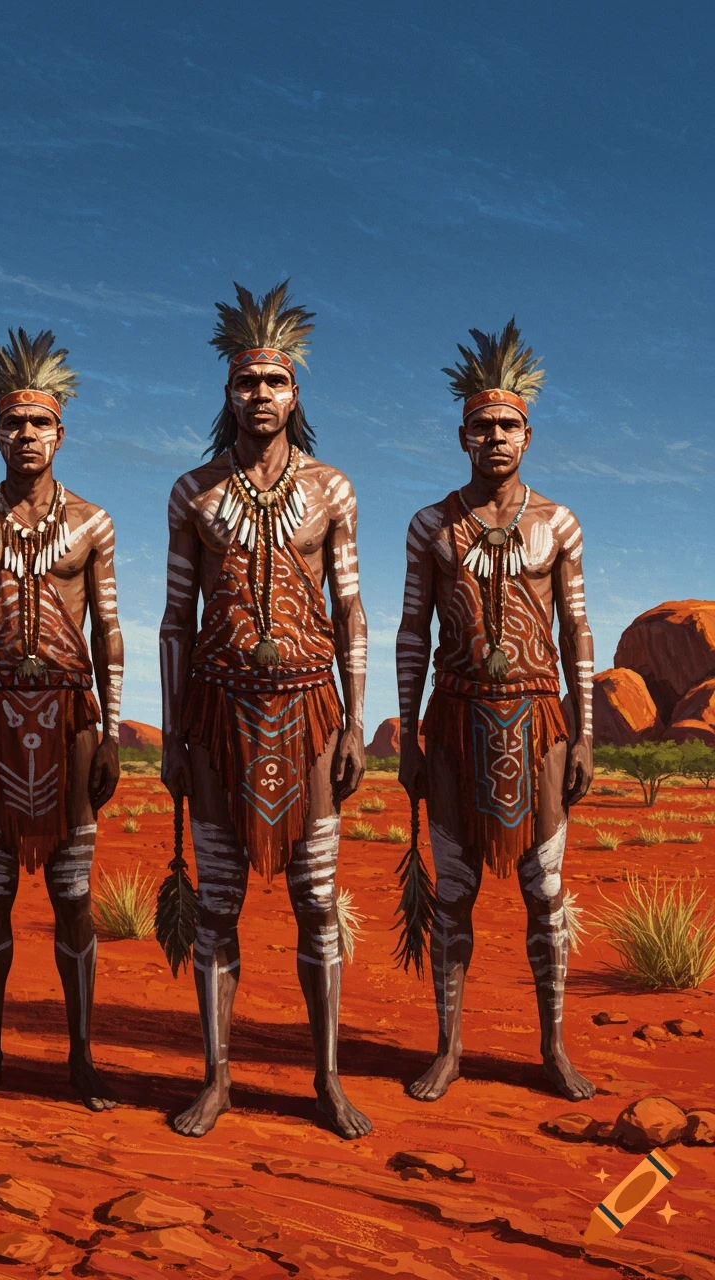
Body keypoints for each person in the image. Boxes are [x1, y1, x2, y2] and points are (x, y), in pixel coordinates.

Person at [159, 282, 372, 1139]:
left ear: (296, 393)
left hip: (311, 714)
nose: (260, 394)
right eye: (247, 382)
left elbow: (350, 608)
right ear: (228, 392)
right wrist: (172, 734)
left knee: (316, 901)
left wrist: (357, 721)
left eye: (275, 381)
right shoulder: (193, 493)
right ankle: (217, 1079)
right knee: (218, 904)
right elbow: (176, 619)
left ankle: (326, 1078)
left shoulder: (333, 490)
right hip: (218, 717)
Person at [396, 319, 595, 1102]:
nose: (496, 438)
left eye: (508, 425)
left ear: (528, 435)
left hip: (539, 724)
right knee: (454, 893)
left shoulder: (558, 523)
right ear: (462, 438)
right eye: (482, 427)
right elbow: (414, 629)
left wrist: (586, 733)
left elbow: (577, 629)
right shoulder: (431, 525)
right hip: (454, 724)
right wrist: (406, 737)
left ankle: (552, 1048)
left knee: (544, 893)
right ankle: (449, 1049)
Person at [0, 329, 123, 1111]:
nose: (26, 435)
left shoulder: (93, 523)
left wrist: (113, 732)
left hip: (71, 721)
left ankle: (81, 1059)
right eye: (13, 423)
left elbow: (108, 628)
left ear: (61, 433)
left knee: (73, 895)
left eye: (40, 423)